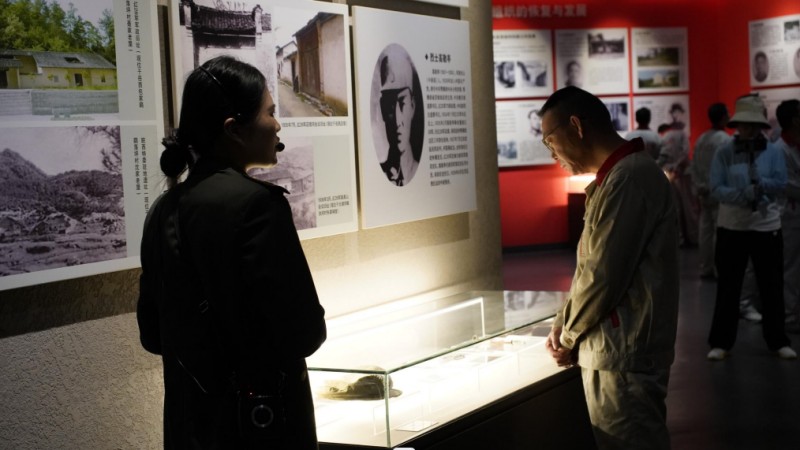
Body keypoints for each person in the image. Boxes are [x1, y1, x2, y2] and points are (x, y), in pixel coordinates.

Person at [136, 56, 327, 449]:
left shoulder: (162, 211)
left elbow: (153, 336)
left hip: (192, 430)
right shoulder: (259, 206)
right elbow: (304, 332)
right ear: (234, 129)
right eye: (270, 113)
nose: (277, 124)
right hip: (259, 429)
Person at [541, 86, 679, 450]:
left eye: (550, 140)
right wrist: (564, 321)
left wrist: (567, 336)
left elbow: (602, 278)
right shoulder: (621, 176)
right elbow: (593, 269)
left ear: (576, 126)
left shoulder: (628, 178)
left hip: (623, 354)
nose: (551, 153)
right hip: (617, 349)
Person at [706, 94, 795, 360]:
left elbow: (782, 183)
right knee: (729, 286)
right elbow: (716, 188)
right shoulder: (724, 152)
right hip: (732, 225)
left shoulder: (773, 151)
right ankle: (721, 342)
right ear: (737, 124)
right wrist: (742, 194)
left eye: (754, 124)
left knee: (771, 285)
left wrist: (762, 186)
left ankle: (777, 340)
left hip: (766, 226)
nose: (749, 129)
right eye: (745, 124)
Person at [689, 102, 731, 278]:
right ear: (722, 117)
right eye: (727, 114)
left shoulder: (701, 139)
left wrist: (699, 185)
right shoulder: (725, 140)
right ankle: (717, 268)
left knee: (705, 230)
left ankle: (705, 267)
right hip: (718, 191)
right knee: (718, 230)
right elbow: (727, 168)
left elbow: (694, 165)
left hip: (703, 191)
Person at [377, 44, 424, 186]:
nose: (398, 121)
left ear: (412, 106)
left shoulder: (419, 171)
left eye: (402, 103)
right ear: (383, 110)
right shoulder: (380, 174)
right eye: (389, 105)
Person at [775, 99, 800, 330]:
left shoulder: (793, 146)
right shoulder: (780, 150)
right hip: (789, 217)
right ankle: (790, 315)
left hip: (794, 215)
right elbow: (789, 186)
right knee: (791, 267)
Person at [658, 126, 699, 247]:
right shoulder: (681, 134)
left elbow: (663, 157)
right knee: (688, 207)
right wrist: (677, 166)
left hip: (670, 173)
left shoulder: (664, 137)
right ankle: (693, 237)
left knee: (676, 207)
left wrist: (669, 168)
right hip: (682, 173)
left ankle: (680, 238)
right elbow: (685, 153)